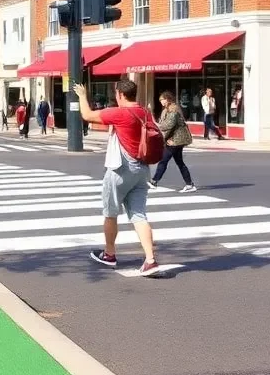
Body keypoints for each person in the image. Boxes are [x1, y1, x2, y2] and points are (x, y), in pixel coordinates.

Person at [74, 78, 162, 276]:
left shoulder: (120, 113)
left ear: (120, 94)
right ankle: (150, 260)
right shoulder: (145, 113)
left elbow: (87, 115)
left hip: (120, 169)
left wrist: (81, 96)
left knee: (111, 212)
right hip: (142, 170)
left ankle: (109, 254)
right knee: (139, 215)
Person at [149, 91, 196, 193]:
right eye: (160, 100)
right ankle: (189, 184)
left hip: (176, 141)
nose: (161, 102)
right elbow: (165, 125)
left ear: (168, 99)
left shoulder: (173, 111)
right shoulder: (167, 111)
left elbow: (168, 126)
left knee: (163, 160)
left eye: (163, 100)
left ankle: (154, 181)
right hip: (174, 140)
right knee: (180, 163)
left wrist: (155, 125)